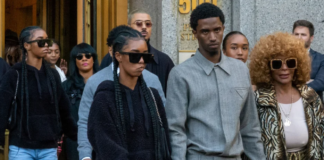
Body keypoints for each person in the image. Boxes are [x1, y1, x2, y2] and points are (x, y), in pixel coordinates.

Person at [165, 3, 265, 160]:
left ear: (223, 29)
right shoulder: (180, 75)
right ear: (195, 33)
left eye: (216, 30)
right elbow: (176, 130)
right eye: (205, 31)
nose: (212, 37)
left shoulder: (240, 70)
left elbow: (250, 126)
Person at [78, 25, 165, 160]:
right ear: (118, 56)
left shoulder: (152, 95)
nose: (141, 61)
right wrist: (85, 155)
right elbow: (104, 142)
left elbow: (163, 137)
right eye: (135, 55)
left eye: (146, 56)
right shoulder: (104, 96)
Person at [0, 26, 77, 160]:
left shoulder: (53, 75)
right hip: (21, 148)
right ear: (27, 46)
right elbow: (2, 110)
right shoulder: (14, 74)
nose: (46, 44)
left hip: (48, 148)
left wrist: (77, 137)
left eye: (48, 41)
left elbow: (64, 109)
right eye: (41, 41)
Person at [249, 32, 324, 159]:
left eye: (290, 63)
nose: (284, 68)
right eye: (277, 63)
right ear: (267, 66)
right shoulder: (257, 100)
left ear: (298, 65)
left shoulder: (310, 96)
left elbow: (320, 139)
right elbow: (249, 141)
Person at [101, 10, 174, 95]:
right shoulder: (111, 58)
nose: (144, 27)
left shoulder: (164, 61)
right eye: (139, 24)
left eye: (148, 24)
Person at [61, 43, 99, 160]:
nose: (84, 59)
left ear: (93, 59)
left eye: (88, 55)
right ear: (74, 61)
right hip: (74, 139)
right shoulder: (66, 86)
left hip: (101, 138)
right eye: (79, 57)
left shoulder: (105, 83)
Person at [292, 20, 324, 101]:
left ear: (311, 38)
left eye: (303, 35)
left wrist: (291, 87)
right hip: (287, 107)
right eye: (296, 34)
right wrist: (308, 81)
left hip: (313, 108)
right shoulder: (283, 57)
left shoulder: (321, 59)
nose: (299, 38)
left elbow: (321, 83)